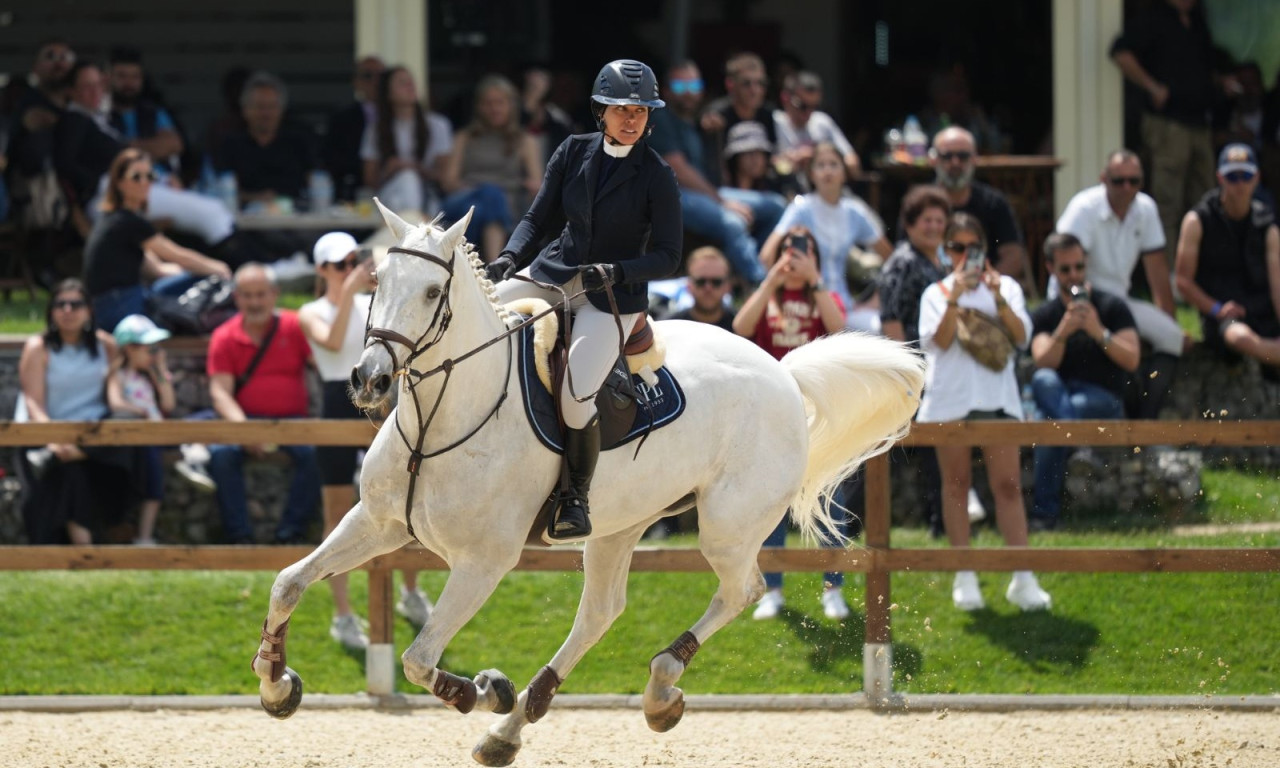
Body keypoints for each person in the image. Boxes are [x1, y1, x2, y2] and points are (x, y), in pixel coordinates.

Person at [488, 58, 681, 541]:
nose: (631, 119)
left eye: (640, 110)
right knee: (483, 314)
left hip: (612, 298)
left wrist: (618, 271)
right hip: (555, 272)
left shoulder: (657, 174)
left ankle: (575, 497)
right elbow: (537, 218)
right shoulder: (572, 150)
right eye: (621, 110)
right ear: (601, 111)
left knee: (576, 395)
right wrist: (508, 258)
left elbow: (668, 256)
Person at [298, 233, 431, 647]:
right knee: (336, 511)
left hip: (380, 402)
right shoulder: (310, 311)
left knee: (404, 505)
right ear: (322, 270)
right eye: (341, 265)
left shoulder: (372, 304)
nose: (350, 270)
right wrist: (349, 293)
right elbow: (335, 343)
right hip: (336, 403)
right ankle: (343, 613)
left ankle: (411, 591)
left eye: (354, 262)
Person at [916, 217, 1051, 612]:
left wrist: (998, 298)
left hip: (997, 398)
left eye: (972, 248)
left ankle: (1023, 578)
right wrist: (954, 298)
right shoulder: (935, 293)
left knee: (1007, 486)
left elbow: (1022, 337)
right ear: (945, 252)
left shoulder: (1006, 287)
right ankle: (964, 575)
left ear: (984, 250)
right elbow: (938, 343)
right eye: (956, 248)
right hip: (949, 400)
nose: (965, 256)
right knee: (956, 485)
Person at [732, 227, 851, 621]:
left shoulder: (825, 296)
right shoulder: (766, 295)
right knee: (772, 505)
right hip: (771, 414)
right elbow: (740, 328)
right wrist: (770, 281)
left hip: (820, 414)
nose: (794, 256)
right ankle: (772, 589)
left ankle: (833, 589)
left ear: (815, 257)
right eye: (787, 249)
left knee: (830, 501)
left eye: (803, 250)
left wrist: (815, 281)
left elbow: (840, 331)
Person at [1055, 149, 1186, 418]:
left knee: (1173, 337)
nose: (1127, 188)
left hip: (1119, 300)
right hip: (1081, 298)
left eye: (1134, 181)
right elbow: (1065, 266)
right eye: (1119, 181)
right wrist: (1073, 309)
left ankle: (1147, 422)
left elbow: (1157, 270)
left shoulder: (1146, 208)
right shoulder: (1084, 208)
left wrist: (1169, 318)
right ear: (1104, 179)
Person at [55, 63, 240, 251]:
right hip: (111, 199)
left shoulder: (100, 120)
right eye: (86, 86)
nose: (95, 92)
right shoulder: (74, 119)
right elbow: (64, 164)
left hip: (135, 190)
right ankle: (244, 264)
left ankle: (243, 261)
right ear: (71, 91)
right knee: (211, 212)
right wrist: (103, 184)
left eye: (98, 85)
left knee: (214, 212)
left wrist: (162, 179)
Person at [1028, 233, 1140, 532]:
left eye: (1079, 267)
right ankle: (1077, 440)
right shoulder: (1046, 314)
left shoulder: (1111, 306)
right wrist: (1063, 331)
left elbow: (1132, 359)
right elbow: (1042, 361)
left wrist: (1098, 331)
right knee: (1044, 381)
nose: (1074, 275)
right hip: (1061, 396)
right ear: (1051, 269)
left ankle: (1044, 515)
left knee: (1049, 424)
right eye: (1065, 269)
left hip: (1104, 400)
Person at [16, 279, 141, 544]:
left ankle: (107, 530)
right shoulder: (38, 347)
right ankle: (83, 545)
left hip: (93, 436)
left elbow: (115, 400)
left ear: (89, 310)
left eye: (76, 304)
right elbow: (33, 403)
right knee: (71, 473)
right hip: (47, 434)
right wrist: (53, 440)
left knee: (126, 427)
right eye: (60, 304)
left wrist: (141, 411)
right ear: (51, 310)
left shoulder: (106, 345)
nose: (68, 310)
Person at [205, 263, 321, 544]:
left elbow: (324, 367)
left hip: (292, 422)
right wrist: (246, 430)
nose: (255, 302)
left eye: (260, 294)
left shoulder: (295, 325)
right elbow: (220, 393)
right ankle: (239, 537)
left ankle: (291, 533)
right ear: (237, 298)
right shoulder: (224, 336)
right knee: (221, 456)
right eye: (247, 295)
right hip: (245, 419)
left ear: (274, 294)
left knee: (319, 454)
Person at [1111, 0, 1232, 254]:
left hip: (1200, 123)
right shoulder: (1153, 19)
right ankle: (1167, 271)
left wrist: (1221, 83)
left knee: (1206, 201)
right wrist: (1153, 87)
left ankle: (1201, 268)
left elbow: (1202, 66)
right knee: (1168, 203)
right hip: (1168, 125)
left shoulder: (1197, 22)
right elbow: (1120, 53)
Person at [646, 60, 772, 285]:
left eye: (694, 86)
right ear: (666, 91)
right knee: (733, 222)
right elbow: (680, 171)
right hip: (674, 196)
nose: (688, 93)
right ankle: (761, 285)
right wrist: (722, 202)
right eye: (680, 87)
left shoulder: (695, 121)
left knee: (775, 206)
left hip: (706, 193)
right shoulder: (660, 119)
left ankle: (749, 275)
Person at [82, 148, 231, 332]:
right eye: (136, 177)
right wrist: (218, 269)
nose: (145, 182)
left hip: (113, 305)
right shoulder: (126, 221)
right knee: (208, 281)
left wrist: (191, 274)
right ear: (119, 183)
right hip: (122, 305)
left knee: (198, 278)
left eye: (150, 176)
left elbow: (157, 270)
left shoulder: (114, 219)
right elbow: (178, 255)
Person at [761, 141, 892, 325]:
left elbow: (891, 258)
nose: (827, 171)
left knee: (880, 329)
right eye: (821, 165)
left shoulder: (854, 212)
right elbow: (767, 255)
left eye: (833, 164)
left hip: (843, 307)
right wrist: (783, 291)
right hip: (806, 309)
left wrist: (876, 300)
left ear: (844, 173)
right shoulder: (801, 208)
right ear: (811, 174)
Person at [1175, 143, 1280, 371]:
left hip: (1263, 313)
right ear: (1220, 178)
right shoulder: (1197, 220)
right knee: (1239, 338)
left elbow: (1277, 285)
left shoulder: (1267, 225)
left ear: (1256, 178)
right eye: (1233, 176)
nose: (1240, 184)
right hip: (1224, 318)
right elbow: (1182, 281)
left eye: (1246, 176)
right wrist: (1216, 308)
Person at [439, 74, 543, 262]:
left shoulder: (525, 141)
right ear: (479, 107)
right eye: (488, 103)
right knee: (489, 194)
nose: (494, 109)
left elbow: (537, 184)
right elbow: (449, 182)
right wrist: (481, 189)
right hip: (466, 200)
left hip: (508, 204)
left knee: (487, 205)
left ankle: (470, 264)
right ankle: (496, 264)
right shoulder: (464, 137)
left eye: (500, 103)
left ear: (511, 106)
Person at [106, 314, 178, 546]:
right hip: (138, 440)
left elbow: (168, 404)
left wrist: (160, 370)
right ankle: (140, 536)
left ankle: (145, 535)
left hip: (158, 435)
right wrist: (139, 412)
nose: (154, 354)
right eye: (150, 349)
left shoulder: (152, 376)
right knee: (149, 482)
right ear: (129, 349)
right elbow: (115, 403)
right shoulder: (118, 375)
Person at [923, 126, 1027, 285]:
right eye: (947, 156)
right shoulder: (920, 204)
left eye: (963, 156)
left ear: (974, 159)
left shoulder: (994, 203)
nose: (955, 162)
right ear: (933, 159)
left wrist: (984, 286)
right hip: (931, 288)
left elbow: (1014, 255)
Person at [213, 71, 318, 206]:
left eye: (272, 107)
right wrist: (256, 198)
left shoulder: (299, 142)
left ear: (281, 110)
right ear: (245, 110)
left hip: (296, 214)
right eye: (260, 107)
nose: (266, 114)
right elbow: (220, 190)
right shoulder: (229, 145)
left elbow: (317, 184)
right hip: (244, 216)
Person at [361, 65, 453, 216]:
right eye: (402, 83)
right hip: (389, 192)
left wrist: (414, 168)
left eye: (411, 82)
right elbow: (369, 180)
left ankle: (410, 224)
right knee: (406, 181)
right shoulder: (375, 130)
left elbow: (444, 176)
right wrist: (389, 171)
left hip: (428, 193)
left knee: (408, 180)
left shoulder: (438, 125)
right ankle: (414, 225)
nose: (410, 86)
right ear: (388, 93)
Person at [700, 52, 778, 184]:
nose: (755, 90)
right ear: (730, 84)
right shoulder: (715, 116)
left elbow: (773, 157)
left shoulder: (769, 115)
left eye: (761, 83)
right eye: (746, 84)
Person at [106, 46, 185, 176]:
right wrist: (151, 148)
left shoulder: (153, 112)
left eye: (135, 77)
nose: (129, 83)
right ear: (108, 78)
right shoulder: (101, 113)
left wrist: (127, 147)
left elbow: (174, 144)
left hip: (157, 179)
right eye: (122, 76)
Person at [772, 71, 860, 183]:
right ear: (785, 98)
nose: (809, 113)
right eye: (803, 106)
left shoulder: (822, 122)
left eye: (814, 106)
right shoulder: (774, 122)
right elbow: (767, 165)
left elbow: (853, 163)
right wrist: (792, 161)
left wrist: (818, 158)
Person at [323, 56, 385, 203]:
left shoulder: (403, 117)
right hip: (356, 194)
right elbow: (333, 161)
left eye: (382, 77)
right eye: (368, 76)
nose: (375, 81)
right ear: (356, 82)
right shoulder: (342, 119)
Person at [666, 246, 736, 332]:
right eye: (701, 282)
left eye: (716, 282)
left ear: (728, 286)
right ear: (688, 285)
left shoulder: (742, 329)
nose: (708, 288)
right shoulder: (669, 327)